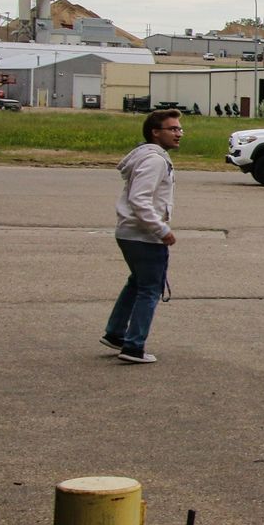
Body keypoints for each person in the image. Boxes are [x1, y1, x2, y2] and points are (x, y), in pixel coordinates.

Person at [103, 108, 183, 364]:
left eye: (179, 128)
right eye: (172, 129)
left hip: (129, 233)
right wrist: (161, 229)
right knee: (149, 289)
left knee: (137, 283)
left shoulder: (150, 157)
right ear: (155, 133)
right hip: (142, 235)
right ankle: (134, 346)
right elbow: (140, 199)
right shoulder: (155, 160)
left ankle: (116, 333)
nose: (178, 133)